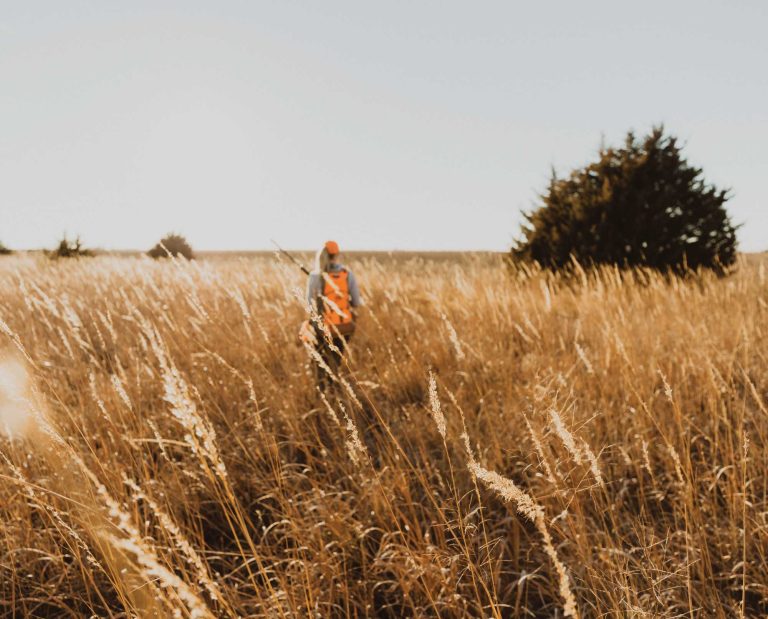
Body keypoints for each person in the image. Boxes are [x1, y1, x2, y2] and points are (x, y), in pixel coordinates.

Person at [305, 240, 362, 390]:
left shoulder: (314, 276)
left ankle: (322, 392)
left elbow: (309, 306)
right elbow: (356, 302)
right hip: (343, 328)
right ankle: (335, 389)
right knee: (335, 361)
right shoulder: (347, 275)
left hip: (321, 328)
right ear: (336, 255)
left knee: (320, 363)